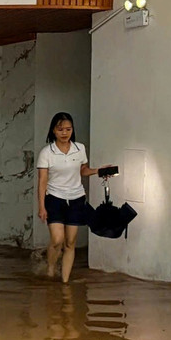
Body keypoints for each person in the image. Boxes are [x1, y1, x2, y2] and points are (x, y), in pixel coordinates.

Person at [36, 113, 113, 283]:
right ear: (53, 131)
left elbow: (83, 171)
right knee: (57, 240)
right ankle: (50, 269)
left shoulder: (80, 148)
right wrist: (41, 206)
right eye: (60, 129)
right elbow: (42, 181)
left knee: (70, 242)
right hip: (54, 198)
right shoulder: (47, 152)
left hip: (76, 198)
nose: (65, 133)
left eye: (68, 129)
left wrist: (99, 171)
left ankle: (64, 282)